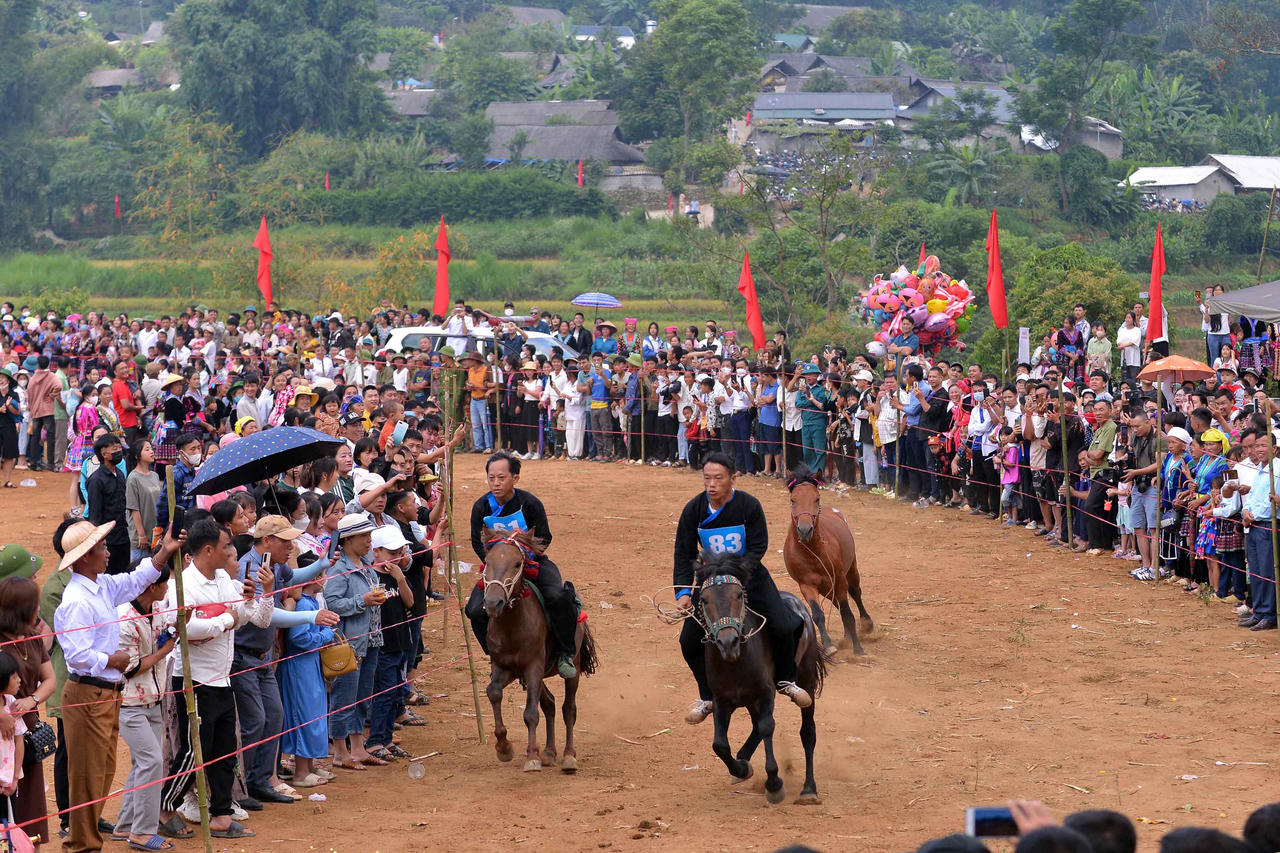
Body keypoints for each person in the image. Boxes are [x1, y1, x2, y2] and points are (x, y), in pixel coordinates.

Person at [53, 520, 181, 853]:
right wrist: (113, 659)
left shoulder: (101, 586)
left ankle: (86, 841)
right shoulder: (78, 600)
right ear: (85, 557)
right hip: (89, 691)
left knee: (102, 773)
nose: (108, 553)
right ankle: (82, 845)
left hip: (105, 694)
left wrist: (163, 553)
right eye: (102, 548)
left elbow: (134, 580)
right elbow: (77, 655)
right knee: (88, 777)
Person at [672, 452, 810, 725]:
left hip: (750, 578)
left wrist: (738, 573)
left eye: (718, 478)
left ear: (733, 479)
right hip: (711, 584)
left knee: (784, 625)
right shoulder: (693, 510)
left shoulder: (749, 506)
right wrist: (684, 592)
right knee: (688, 641)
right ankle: (707, 696)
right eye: (707, 478)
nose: (711, 484)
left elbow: (758, 545)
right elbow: (683, 553)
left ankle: (786, 680)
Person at [157, 518, 271, 840]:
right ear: (208, 550)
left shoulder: (223, 579)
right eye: (226, 546)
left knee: (224, 749)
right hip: (194, 681)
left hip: (221, 679)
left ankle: (221, 815)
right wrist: (225, 620)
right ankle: (165, 808)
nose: (231, 551)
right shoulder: (184, 584)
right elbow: (183, 627)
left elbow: (245, 617)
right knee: (194, 752)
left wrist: (248, 601)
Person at [464, 452, 580, 677]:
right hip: (498, 570)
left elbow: (544, 537)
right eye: (491, 478)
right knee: (474, 610)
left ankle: (566, 652)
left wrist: (524, 559)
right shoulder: (481, 507)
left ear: (515, 478)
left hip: (533, 563)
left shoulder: (530, 503)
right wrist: (495, 565)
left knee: (558, 597)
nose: (496, 483)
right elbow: (477, 543)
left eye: (501, 478)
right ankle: (494, 653)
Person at [112, 565, 178, 849]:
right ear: (152, 586)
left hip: (153, 698)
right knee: (151, 762)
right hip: (129, 703)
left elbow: (166, 633)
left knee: (143, 762)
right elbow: (130, 668)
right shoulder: (124, 619)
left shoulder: (157, 608)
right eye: (165, 583)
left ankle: (126, 825)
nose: (168, 587)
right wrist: (163, 651)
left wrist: (177, 629)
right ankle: (141, 832)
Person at [0, 574, 56, 848]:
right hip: (2, 732)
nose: (38, 609)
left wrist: (31, 700)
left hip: (27, 730)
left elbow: (50, 680)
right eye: (34, 604)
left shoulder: (33, 638)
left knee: (30, 801)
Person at [86, 434, 130, 573]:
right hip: (108, 540)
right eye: (114, 448)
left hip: (123, 536)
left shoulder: (120, 475)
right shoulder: (96, 480)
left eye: (119, 447)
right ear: (104, 454)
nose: (119, 451)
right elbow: (95, 515)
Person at [0, 369, 20, 488]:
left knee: (9, 455)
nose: (0, 380)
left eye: (3, 378)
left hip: (9, 427)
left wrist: (9, 407)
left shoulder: (13, 395)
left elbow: (17, 412)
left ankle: (7, 481)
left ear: (8, 380)